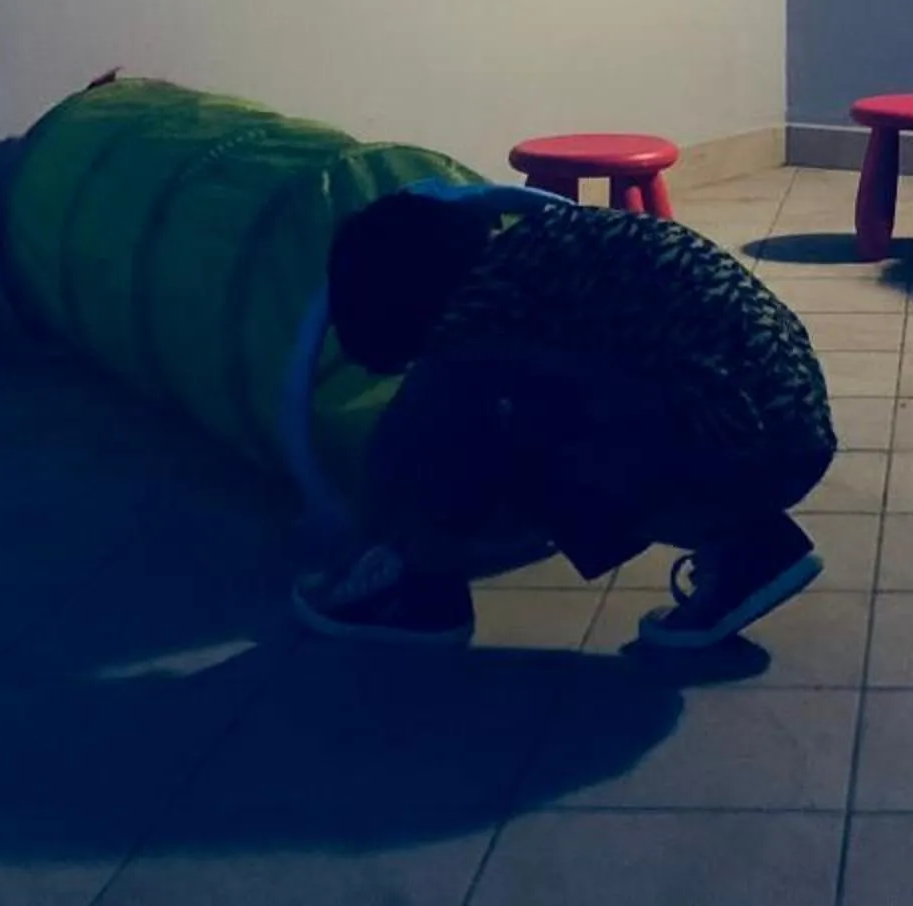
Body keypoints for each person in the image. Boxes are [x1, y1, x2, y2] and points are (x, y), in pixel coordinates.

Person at [290, 182, 836, 651]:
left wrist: (365, 537)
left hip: (741, 446)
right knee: (520, 402)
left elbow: (406, 433)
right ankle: (748, 538)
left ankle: (424, 596)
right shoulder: (543, 244)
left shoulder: (481, 307)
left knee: (483, 424)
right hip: (794, 422)